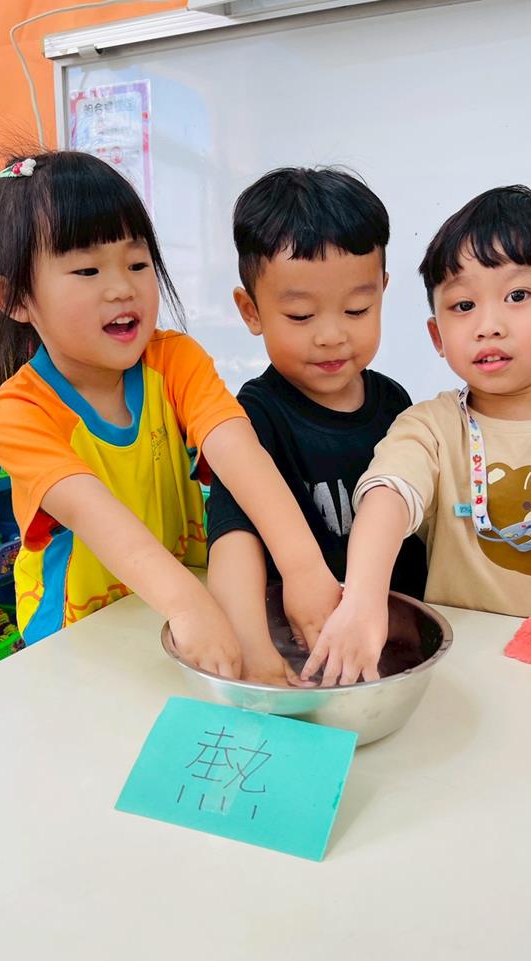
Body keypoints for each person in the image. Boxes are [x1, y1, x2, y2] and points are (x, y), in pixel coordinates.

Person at [0, 151, 340, 674]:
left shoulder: (175, 361)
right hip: (83, 634)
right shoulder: (18, 412)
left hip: (186, 607)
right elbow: (94, 514)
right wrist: (187, 605)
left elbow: (238, 451)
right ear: (14, 298)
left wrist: (302, 566)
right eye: (87, 270)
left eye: (137, 263)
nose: (123, 288)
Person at [303, 184, 531, 685]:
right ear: (438, 336)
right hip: (465, 671)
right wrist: (363, 598)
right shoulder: (431, 428)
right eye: (462, 305)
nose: (488, 325)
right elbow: (388, 495)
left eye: (518, 296)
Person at [205, 167, 427, 684]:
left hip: (398, 641)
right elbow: (232, 538)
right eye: (301, 316)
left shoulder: (395, 402)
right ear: (250, 310)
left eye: (357, 309)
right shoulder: (253, 416)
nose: (331, 335)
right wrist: (253, 652)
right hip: (300, 647)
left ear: (382, 292)